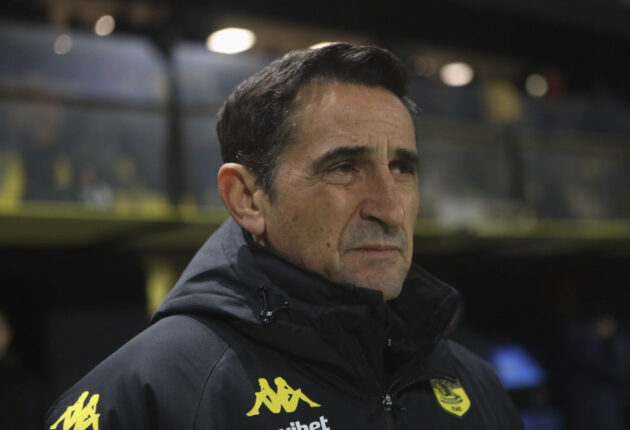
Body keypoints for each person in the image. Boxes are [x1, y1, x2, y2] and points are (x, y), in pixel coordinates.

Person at [46, 43, 524, 429]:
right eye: (344, 168)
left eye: (401, 168)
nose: (391, 208)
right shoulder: (145, 398)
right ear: (248, 199)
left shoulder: (473, 382)